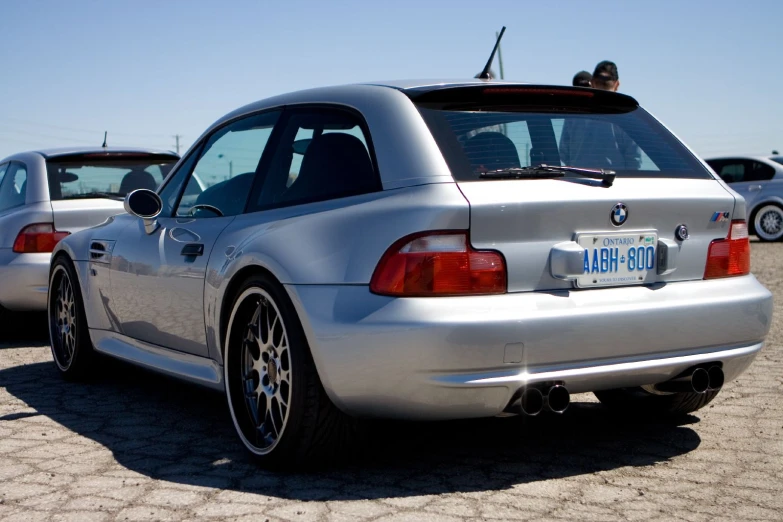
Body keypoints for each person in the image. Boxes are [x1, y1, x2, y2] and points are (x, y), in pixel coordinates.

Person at [559, 61, 642, 170]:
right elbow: (634, 159)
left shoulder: (574, 116)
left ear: (592, 82)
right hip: (614, 182)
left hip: (577, 180)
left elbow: (564, 153)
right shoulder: (625, 116)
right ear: (617, 84)